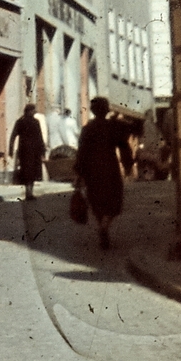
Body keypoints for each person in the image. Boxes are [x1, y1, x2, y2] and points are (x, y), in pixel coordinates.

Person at [75, 96, 133, 249]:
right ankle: (104, 227)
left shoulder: (87, 129)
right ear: (106, 109)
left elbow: (82, 153)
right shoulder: (112, 127)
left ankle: (102, 225)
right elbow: (124, 146)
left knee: (96, 201)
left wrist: (79, 174)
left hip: (92, 171)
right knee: (114, 200)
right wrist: (128, 166)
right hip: (109, 168)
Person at [9, 102, 46, 200]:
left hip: (25, 150)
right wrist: (43, 151)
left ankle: (29, 192)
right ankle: (29, 192)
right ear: (29, 111)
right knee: (30, 172)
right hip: (32, 151)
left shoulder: (21, 121)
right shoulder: (33, 122)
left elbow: (13, 136)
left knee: (27, 172)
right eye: (33, 110)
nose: (34, 112)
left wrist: (10, 149)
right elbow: (39, 137)